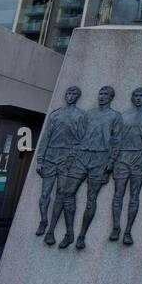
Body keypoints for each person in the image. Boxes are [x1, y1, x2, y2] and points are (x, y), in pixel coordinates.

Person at [34, 85, 88, 247]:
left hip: (66, 160)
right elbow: (45, 138)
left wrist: (73, 158)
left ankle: (55, 231)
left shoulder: (80, 115)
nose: (70, 96)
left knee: (62, 195)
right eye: (68, 93)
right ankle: (43, 220)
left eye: (73, 94)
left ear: (77, 97)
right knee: (45, 193)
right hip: (50, 157)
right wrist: (40, 159)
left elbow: (81, 140)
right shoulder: (56, 114)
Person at [75, 86, 120, 250]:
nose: (101, 97)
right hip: (82, 157)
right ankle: (67, 233)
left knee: (91, 198)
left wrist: (112, 160)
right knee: (67, 192)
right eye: (100, 93)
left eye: (105, 94)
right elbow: (79, 135)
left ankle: (82, 235)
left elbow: (116, 140)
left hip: (101, 159)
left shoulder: (115, 116)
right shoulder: (89, 114)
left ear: (111, 97)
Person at [110, 87, 142, 246]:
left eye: (141, 95)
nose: (138, 98)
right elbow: (116, 139)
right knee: (118, 194)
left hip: (139, 158)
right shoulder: (124, 116)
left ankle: (128, 231)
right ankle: (116, 227)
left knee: (134, 196)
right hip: (122, 158)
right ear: (132, 98)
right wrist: (112, 160)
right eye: (135, 95)